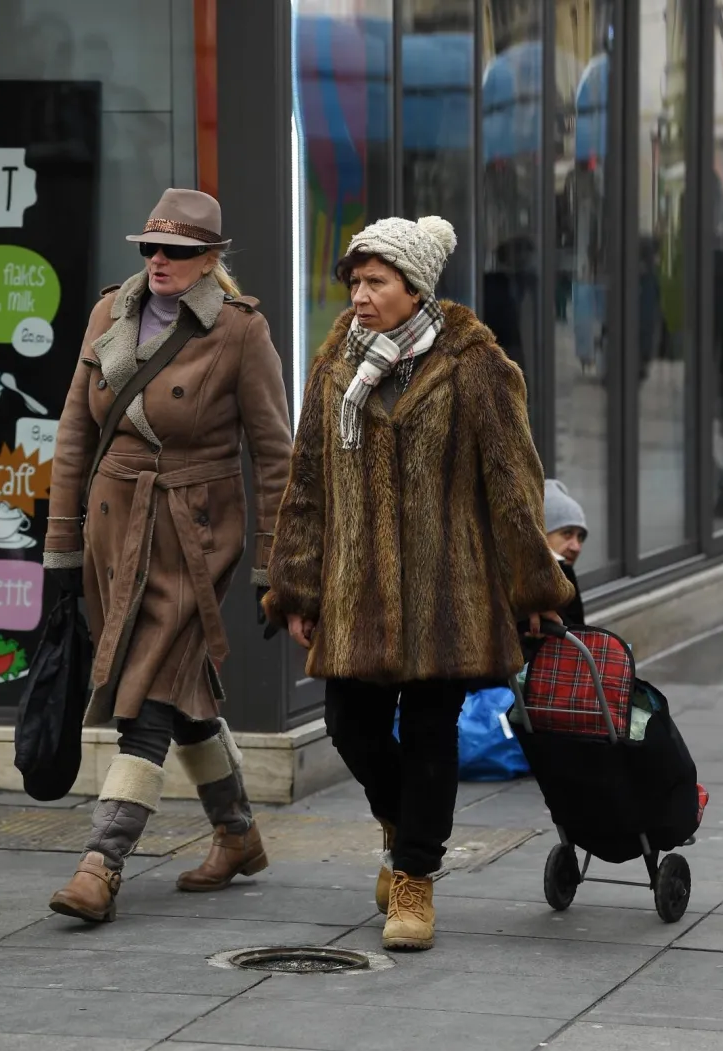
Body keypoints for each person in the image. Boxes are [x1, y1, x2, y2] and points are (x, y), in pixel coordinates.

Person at [262, 215, 574, 951]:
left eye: (376, 282)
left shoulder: (475, 365)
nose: (360, 296)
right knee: (351, 725)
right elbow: (307, 485)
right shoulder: (336, 363)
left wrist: (533, 589)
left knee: (433, 732)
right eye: (355, 282)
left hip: (447, 593)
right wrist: (297, 588)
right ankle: (403, 823)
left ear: (415, 287)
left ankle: (414, 879)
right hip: (357, 593)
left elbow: (513, 484)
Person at [43, 188, 292, 923]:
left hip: (195, 535)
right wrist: (61, 545)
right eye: (151, 247)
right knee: (181, 690)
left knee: (147, 693)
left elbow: (274, 455)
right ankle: (237, 833)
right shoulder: (109, 314)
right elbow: (73, 433)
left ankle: (101, 861)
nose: (159, 260)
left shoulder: (241, 331)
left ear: (210, 260)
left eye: (177, 252)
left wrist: (273, 566)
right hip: (114, 530)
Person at [544, 479, 588, 626]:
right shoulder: (521, 591)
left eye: (580, 537)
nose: (576, 547)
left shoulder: (566, 575)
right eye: (567, 533)